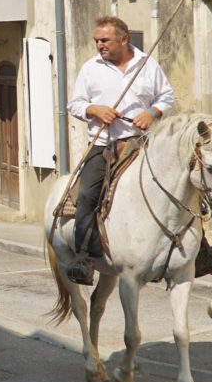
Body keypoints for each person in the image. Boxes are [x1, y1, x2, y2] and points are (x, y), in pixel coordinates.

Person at [65, 16, 175, 286]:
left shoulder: (147, 65)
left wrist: (151, 113)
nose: (99, 45)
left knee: (180, 183)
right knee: (88, 195)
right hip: (104, 145)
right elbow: (75, 104)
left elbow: (167, 96)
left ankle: (200, 250)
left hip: (143, 143)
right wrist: (95, 110)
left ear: (123, 39)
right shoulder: (91, 69)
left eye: (104, 40)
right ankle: (84, 257)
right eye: (97, 41)